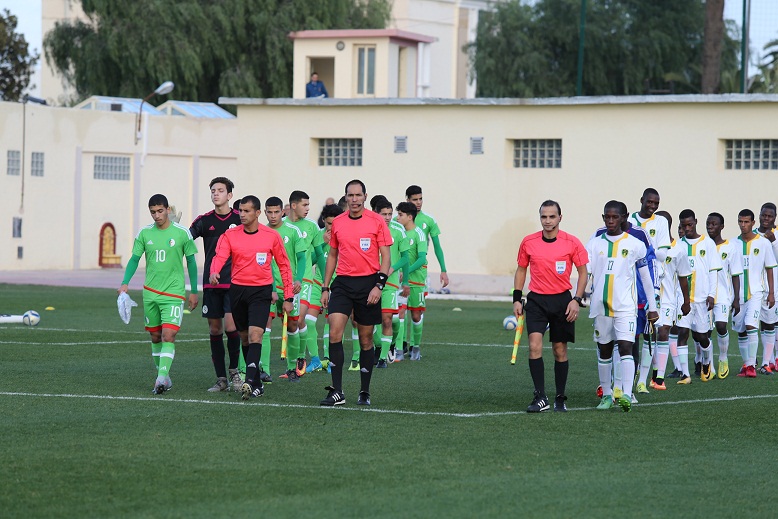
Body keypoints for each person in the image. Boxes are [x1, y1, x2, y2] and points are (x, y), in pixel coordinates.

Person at [209, 196, 294, 400]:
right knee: (245, 338)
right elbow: (219, 256)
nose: (242, 214)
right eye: (240, 210)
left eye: (247, 211)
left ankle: (251, 381)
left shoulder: (271, 236)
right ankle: (256, 383)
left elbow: (284, 265)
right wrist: (214, 271)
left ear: (257, 213)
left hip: (261, 291)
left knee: (257, 335)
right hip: (238, 290)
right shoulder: (230, 235)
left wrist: (288, 296)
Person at [320, 179, 392, 406]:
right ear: (346, 198)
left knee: (365, 339)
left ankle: (364, 390)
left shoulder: (377, 221)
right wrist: (325, 286)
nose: (354, 199)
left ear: (364, 196)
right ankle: (337, 391)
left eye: (358, 195)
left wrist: (378, 286)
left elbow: (386, 256)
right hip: (342, 284)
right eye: (350, 196)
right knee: (334, 333)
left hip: (368, 284)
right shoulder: (338, 222)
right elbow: (332, 255)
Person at [118, 194, 199, 394]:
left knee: (168, 335)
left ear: (167, 210)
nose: (157, 215)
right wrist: (125, 283)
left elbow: (191, 262)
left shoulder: (182, 233)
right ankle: (164, 376)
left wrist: (194, 291)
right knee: (155, 337)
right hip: (151, 293)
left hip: (173, 293)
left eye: (160, 211)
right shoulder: (144, 233)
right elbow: (135, 259)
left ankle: (161, 378)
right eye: (153, 212)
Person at [513, 200, 588, 413]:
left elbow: (583, 273)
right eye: (544, 217)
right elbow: (521, 270)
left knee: (559, 350)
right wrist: (517, 299)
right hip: (536, 300)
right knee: (534, 346)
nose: (547, 221)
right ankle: (540, 396)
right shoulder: (529, 242)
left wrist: (577, 299)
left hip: (562, 301)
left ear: (560, 218)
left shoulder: (571, 243)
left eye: (552, 217)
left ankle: (560, 397)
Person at [587, 201, 658, 412]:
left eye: (615, 217)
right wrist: (577, 295)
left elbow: (645, 277)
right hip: (600, 306)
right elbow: (586, 272)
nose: (610, 221)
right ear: (603, 218)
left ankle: (627, 394)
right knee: (605, 351)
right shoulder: (594, 244)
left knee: (626, 347)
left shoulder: (635, 244)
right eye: (607, 217)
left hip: (626, 306)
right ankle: (607, 395)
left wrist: (652, 306)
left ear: (624, 217)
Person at [189, 177, 244, 392]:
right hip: (211, 284)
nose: (215, 194)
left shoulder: (240, 220)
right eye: (213, 190)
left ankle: (235, 374)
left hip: (234, 282)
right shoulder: (204, 221)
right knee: (214, 329)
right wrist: (173, 226)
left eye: (220, 190)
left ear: (230, 195)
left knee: (231, 327)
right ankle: (221, 379)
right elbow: (186, 238)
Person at [628, 188, 670, 394]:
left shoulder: (661, 222)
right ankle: (629, 373)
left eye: (656, 203)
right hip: (629, 279)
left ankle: (642, 380)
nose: (652, 206)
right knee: (630, 331)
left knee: (649, 331)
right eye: (649, 202)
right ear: (642, 200)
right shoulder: (630, 220)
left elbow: (661, 254)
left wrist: (645, 249)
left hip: (651, 278)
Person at [677, 209, 723, 383]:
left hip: (702, 298)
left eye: (690, 224)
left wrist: (712, 295)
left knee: (702, 336)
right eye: (683, 225)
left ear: (695, 222)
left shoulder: (708, 244)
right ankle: (685, 374)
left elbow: (713, 271)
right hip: (683, 299)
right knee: (682, 333)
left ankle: (706, 362)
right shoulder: (679, 246)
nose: (687, 228)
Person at [264, 196, 307, 382]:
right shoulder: (261, 231)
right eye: (269, 212)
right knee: (264, 327)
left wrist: (298, 279)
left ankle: (292, 368)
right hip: (267, 287)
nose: (273, 216)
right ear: (264, 212)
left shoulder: (293, 231)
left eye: (276, 212)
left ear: (283, 211)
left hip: (289, 288)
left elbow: (302, 258)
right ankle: (263, 370)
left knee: (292, 325)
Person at [650, 211, 691, 390]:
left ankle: (659, 378)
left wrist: (686, 301)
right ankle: (650, 372)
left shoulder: (679, 249)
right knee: (649, 336)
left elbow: (683, 277)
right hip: (649, 297)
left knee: (664, 332)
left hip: (668, 299)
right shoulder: (648, 244)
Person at [287, 190, 326, 375]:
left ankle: (301, 359)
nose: (308, 208)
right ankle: (294, 363)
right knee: (291, 324)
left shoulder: (312, 227)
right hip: (283, 282)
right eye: (304, 205)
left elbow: (320, 255)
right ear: (293, 205)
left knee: (300, 319)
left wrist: (326, 284)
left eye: (308, 205)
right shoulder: (283, 226)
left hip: (305, 282)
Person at [734, 209, 776, 377]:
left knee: (752, 325)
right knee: (741, 329)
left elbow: (770, 269)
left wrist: (771, 293)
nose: (743, 225)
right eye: (740, 222)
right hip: (737, 295)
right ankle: (747, 365)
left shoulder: (763, 243)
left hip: (756, 293)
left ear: (753, 223)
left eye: (746, 222)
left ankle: (752, 366)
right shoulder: (733, 244)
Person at [371, 196, 409, 368]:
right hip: (370, 282)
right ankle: (380, 348)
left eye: (389, 214)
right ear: (376, 214)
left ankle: (387, 351)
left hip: (390, 282)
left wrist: (393, 268)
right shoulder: (369, 229)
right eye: (384, 214)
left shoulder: (398, 230)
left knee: (389, 320)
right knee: (371, 320)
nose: (387, 217)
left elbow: (406, 257)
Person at [306, 204, 345, 372]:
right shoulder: (319, 237)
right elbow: (312, 260)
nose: (332, 227)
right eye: (329, 223)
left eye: (335, 223)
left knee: (333, 323)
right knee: (308, 321)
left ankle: (330, 360)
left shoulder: (345, 237)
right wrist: (322, 243)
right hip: (318, 284)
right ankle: (315, 359)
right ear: (323, 221)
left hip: (338, 285)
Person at [706, 212, 742, 378]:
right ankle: (708, 366)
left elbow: (735, 274)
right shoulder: (704, 245)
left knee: (721, 326)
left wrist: (736, 299)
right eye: (708, 224)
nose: (710, 227)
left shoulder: (730, 247)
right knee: (704, 332)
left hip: (723, 295)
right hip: (704, 294)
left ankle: (723, 358)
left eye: (714, 224)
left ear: (722, 226)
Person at [755, 203, 778, 373]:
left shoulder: (776, 235)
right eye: (764, 215)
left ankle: (770, 360)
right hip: (755, 287)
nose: (766, 219)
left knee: (772, 322)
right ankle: (768, 360)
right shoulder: (753, 235)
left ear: (774, 218)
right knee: (762, 324)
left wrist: (774, 242)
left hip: (774, 286)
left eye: (770, 216)